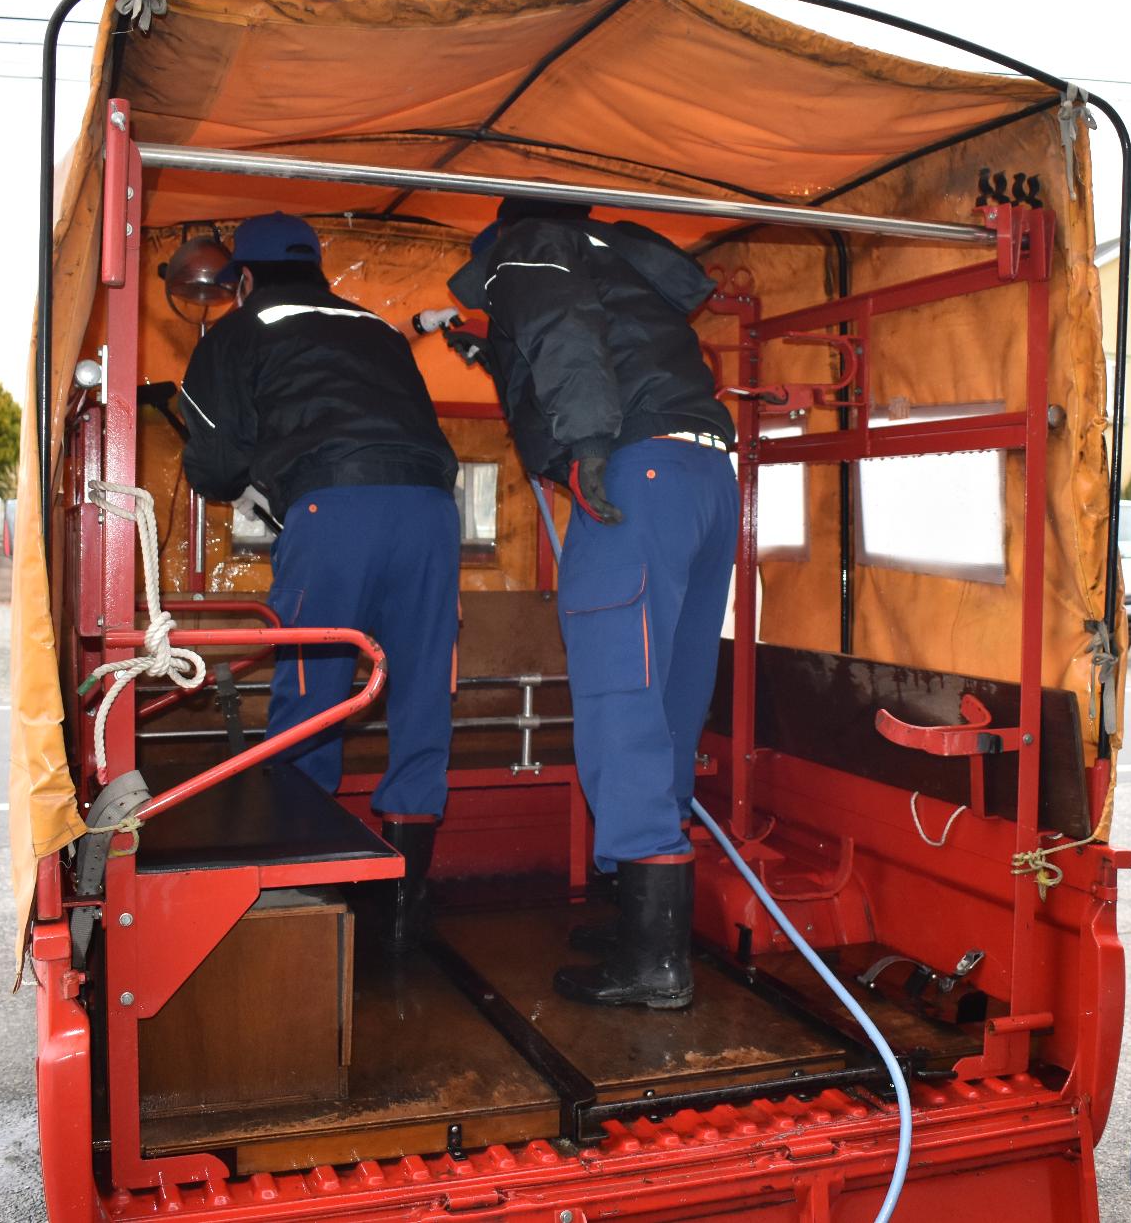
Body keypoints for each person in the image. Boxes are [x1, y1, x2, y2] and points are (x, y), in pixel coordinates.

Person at [448, 197, 738, 1010]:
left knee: (620, 699)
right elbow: (595, 332)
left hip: (632, 473)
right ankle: (641, 923)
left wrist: (583, 450)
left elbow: (563, 332)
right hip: (708, 477)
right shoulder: (620, 260)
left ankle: (653, 961)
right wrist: (493, 348)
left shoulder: (531, 242)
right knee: (672, 697)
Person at [181, 211, 460, 951]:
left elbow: (209, 463)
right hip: (434, 510)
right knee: (423, 691)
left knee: (311, 692)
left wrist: (253, 482)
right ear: (318, 269)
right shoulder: (375, 329)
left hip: (335, 509)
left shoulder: (239, 329)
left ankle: (304, 896)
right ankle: (405, 911)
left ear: (242, 276)